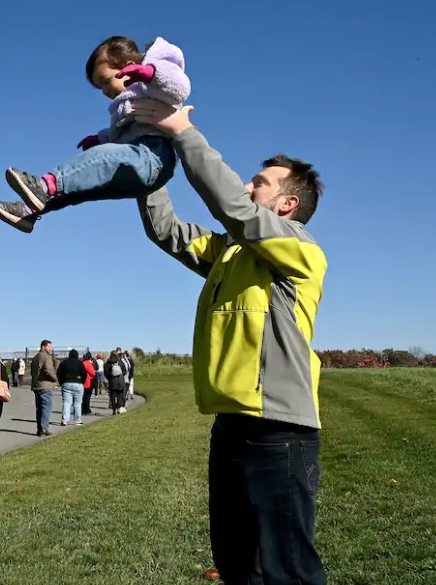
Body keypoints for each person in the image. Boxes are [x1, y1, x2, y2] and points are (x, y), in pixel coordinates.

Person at [132, 99, 328, 584]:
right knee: (238, 563)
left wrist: (182, 129)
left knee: (286, 569)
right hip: (230, 428)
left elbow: (233, 207)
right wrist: (146, 166)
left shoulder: (300, 249)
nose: (247, 185)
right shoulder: (229, 253)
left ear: (287, 204)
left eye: (260, 183)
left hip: (279, 431)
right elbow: (167, 231)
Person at [0, 35, 190, 233]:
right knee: (80, 186)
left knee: (101, 157)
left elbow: (179, 87)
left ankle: (44, 185)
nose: (103, 91)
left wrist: (149, 73)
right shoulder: (125, 105)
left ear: (128, 67)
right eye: (99, 87)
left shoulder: (152, 84)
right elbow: (119, 132)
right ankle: (29, 212)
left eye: (105, 81)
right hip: (136, 169)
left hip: (153, 158)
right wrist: (100, 138)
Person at [30, 340, 57, 436]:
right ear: (43, 347)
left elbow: (32, 371)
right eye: (49, 347)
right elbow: (48, 370)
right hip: (45, 386)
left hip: (37, 386)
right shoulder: (46, 357)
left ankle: (39, 428)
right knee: (47, 407)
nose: (50, 349)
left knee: (39, 408)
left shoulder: (36, 357)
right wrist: (55, 378)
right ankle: (44, 427)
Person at [57, 349, 87, 426]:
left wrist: (61, 382)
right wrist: (82, 382)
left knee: (67, 403)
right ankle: (77, 420)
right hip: (78, 384)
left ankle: (65, 420)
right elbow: (84, 374)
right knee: (77, 403)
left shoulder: (64, 363)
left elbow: (58, 373)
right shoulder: (79, 363)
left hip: (66, 383)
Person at [81, 351, 97, 416]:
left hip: (82, 382)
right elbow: (93, 373)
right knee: (87, 397)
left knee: (83, 397)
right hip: (88, 382)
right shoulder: (88, 364)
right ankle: (86, 409)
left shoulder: (82, 363)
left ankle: (83, 409)